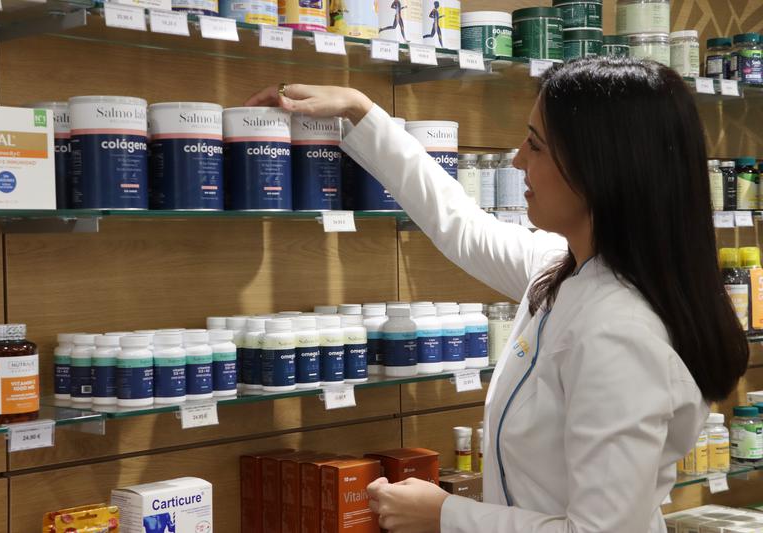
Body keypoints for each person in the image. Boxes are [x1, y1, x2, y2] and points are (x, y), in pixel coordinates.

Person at [245, 58, 749, 532]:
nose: (515, 159)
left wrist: (445, 514)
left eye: (536, 145)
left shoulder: (619, 332)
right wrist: (362, 112)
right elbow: (460, 225)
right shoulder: (566, 269)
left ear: (601, 168)